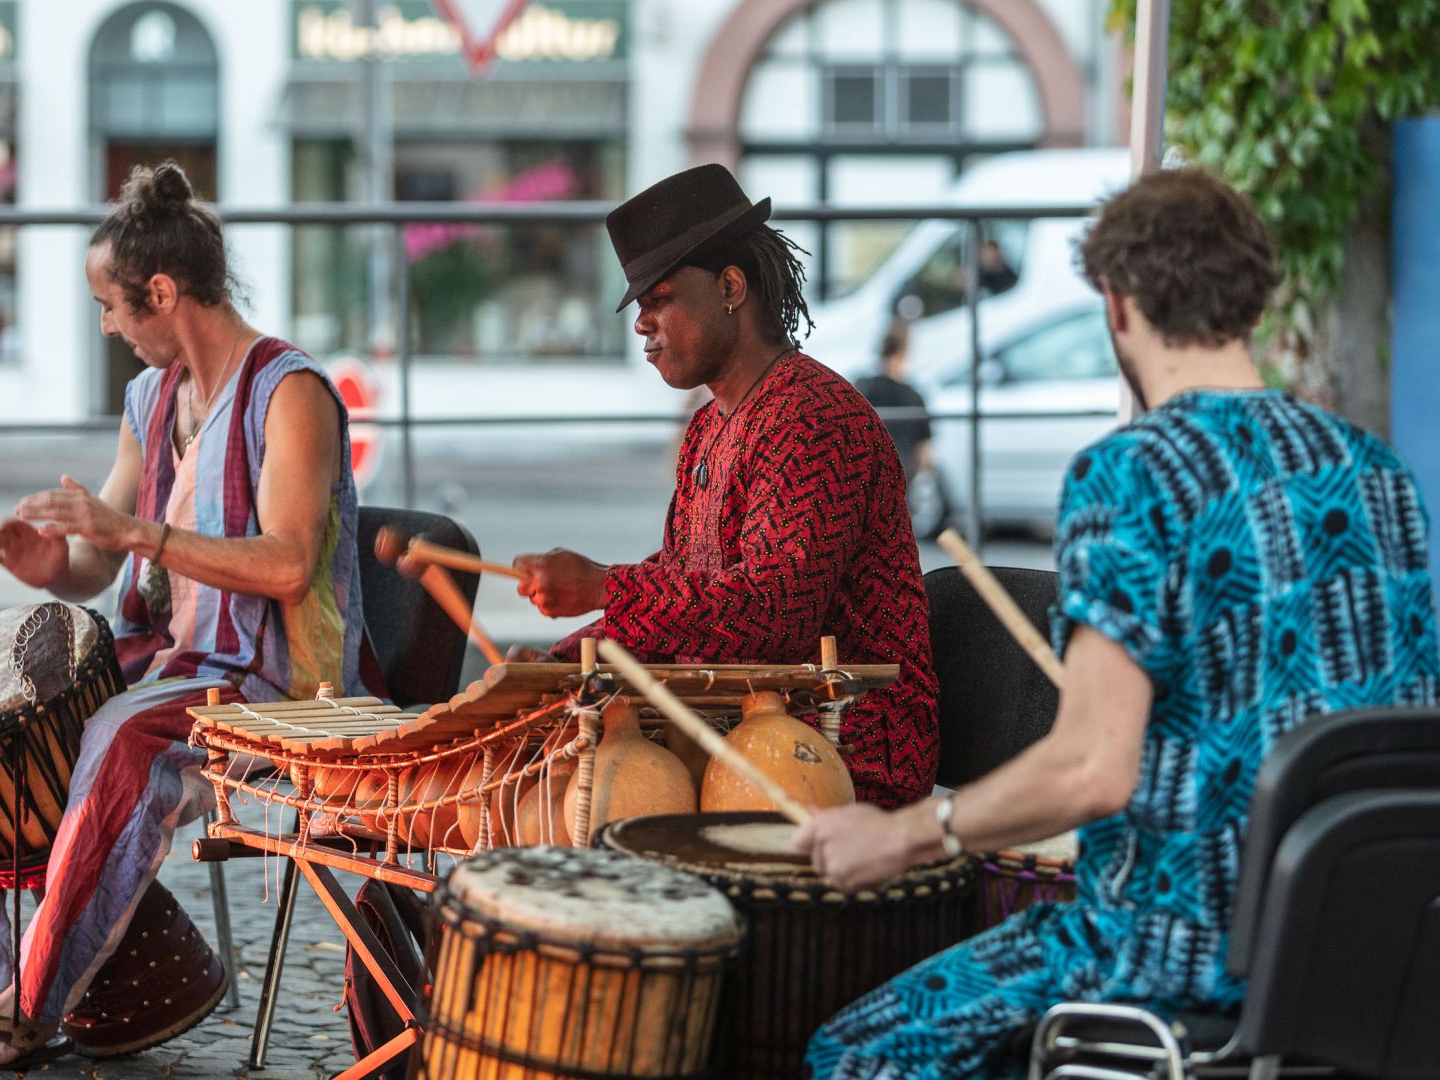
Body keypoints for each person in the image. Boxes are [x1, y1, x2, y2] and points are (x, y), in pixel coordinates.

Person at [794, 167, 1440, 1079]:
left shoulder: (1135, 474)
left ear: (1120, 305)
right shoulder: (1382, 477)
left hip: (1176, 953)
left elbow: (1095, 767)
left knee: (854, 1049)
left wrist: (897, 835)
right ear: (1253, 301)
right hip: (1362, 946)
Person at [0, 161, 371, 1068]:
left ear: (160, 293)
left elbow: (286, 566)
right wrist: (59, 565)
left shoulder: (290, 393)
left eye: (111, 306)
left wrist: (124, 530)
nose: (106, 326)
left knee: (120, 741)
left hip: (274, 685)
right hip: (167, 661)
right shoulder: (150, 399)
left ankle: (32, 1006)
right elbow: (104, 561)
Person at [510, 164, 939, 808]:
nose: (641, 325)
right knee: (530, 755)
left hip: (846, 744)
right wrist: (563, 661)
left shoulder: (814, 418)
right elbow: (687, 587)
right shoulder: (711, 426)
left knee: (585, 799)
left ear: (731, 286)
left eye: (659, 300)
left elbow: (773, 616)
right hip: (740, 721)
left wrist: (603, 587)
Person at [855, 315, 934, 487]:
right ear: (906, 350)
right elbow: (925, 457)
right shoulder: (914, 396)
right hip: (901, 483)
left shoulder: (861, 388)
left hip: (865, 479)